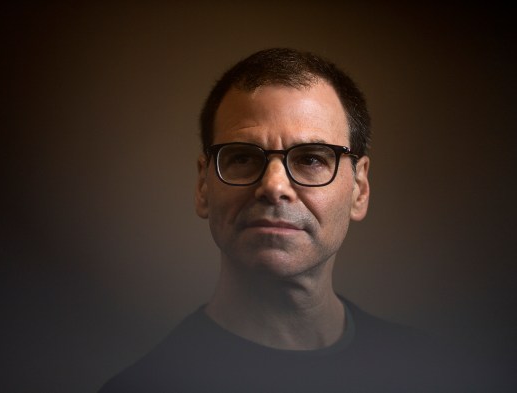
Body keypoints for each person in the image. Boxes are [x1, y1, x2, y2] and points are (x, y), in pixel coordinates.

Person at [99, 48, 498, 392]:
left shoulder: (432, 377)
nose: (274, 187)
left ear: (359, 188)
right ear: (203, 186)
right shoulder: (145, 387)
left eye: (310, 159)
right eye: (242, 158)